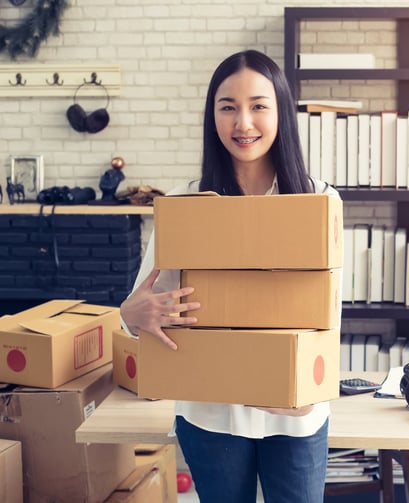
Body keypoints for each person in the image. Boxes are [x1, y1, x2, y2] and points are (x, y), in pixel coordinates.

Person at [120, 49, 337, 503]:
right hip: (210, 416)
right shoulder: (184, 206)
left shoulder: (318, 201)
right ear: (211, 116)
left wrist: (311, 389)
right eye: (228, 107)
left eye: (258, 105)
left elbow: (331, 313)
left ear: (281, 112)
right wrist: (129, 313)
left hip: (294, 415)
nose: (243, 123)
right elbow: (144, 310)